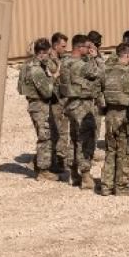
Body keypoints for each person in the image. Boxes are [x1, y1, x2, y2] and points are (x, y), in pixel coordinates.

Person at [98, 43, 129, 195]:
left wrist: (104, 109)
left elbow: (98, 92)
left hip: (110, 115)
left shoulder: (106, 71)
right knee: (124, 151)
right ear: (128, 55)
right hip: (126, 115)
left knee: (110, 150)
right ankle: (121, 186)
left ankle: (106, 185)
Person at [61, 34, 101, 189]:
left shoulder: (65, 62)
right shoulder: (82, 65)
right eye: (87, 47)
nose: (89, 49)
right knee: (86, 139)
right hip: (82, 105)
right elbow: (99, 73)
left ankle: (73, 174)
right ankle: (85, 176)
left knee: (74, 138)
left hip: (70, 104)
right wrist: (95, 57)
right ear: (79, 47)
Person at [16, 38, 58, 180]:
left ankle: (38, 163)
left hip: (33, 103)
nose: (48, 56)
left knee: (44, 135)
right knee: (45, 137)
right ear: (42, 53)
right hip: (40, 105)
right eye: (48, 53)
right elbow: (47, 92)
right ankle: (42, 171)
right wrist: (53, 79)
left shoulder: (26, 65)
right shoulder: (37, 70)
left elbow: (20, 88)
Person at [47, 31, 70, 173]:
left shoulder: (62, 59)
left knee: (63, 130)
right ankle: (49, 161)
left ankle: (61, 159)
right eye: (63, 46)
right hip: (53, 100)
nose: (65, 49)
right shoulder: (47, 61)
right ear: (55, 46)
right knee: (55, 131)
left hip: (63, 100)